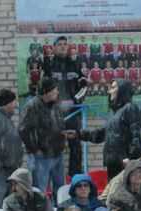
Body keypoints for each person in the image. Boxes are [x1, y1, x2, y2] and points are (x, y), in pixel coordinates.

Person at [18, 77, 74, 200]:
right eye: (55, 90)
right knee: (39, 190)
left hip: (57, 153)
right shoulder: (32, 107)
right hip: (40, 156)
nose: (57, 93)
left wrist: (62, 134)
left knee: (60, 190)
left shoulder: (55, 106)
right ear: (47, 92)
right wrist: (35, 149)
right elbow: (24, 129)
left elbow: (57, 125)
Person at [77, 79, 141, 179]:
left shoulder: (130, 108)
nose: (109, 92)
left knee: (124, 194)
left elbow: (139, 136)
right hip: (114, 165)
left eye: (113, 88)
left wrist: (131, 158)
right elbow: (99, 135)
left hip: (125, 165)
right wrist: (78, 134)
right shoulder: (116, 114)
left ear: (122, 90)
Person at [43, 35, 86, 176]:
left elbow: (84, 87)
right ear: (54, 47)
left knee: (76, 147)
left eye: (65, 44)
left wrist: (73, 101)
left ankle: (76, 179)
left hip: (73, 112)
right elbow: (43, 88)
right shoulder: (48, 65)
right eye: (59, 44)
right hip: (54, 114)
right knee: (53, 145)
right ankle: (54, 180)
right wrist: (56, 103)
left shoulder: (75, 64)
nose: (62, 46)